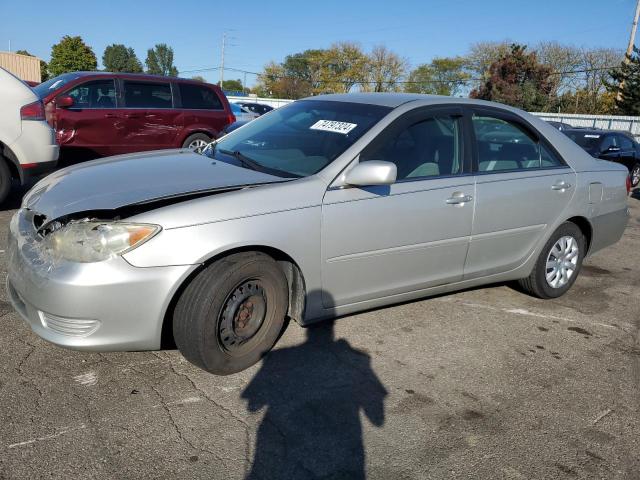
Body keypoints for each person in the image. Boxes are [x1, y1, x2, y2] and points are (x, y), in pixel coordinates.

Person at [242, 321, 387, 479]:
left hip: (282, 451)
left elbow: (253, 404)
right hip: (336, 453)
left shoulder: (279, 356)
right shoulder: (359, 360)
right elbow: (377, 419)